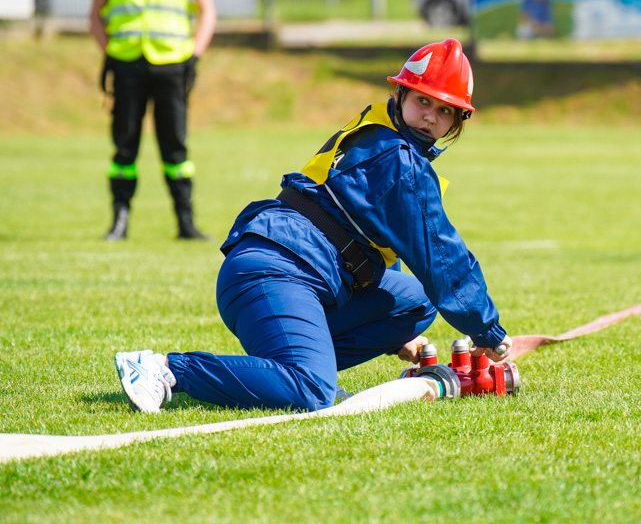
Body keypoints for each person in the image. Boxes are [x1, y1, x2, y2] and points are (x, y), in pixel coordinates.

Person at [113, 39, 513, 413]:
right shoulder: (400, 162)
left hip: (296, 268)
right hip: (274, 272)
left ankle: (287, 368)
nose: (431, 117)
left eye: (446, 110)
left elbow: (374, 236)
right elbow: (443, 261)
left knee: (414, 301)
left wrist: (396, 336)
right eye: (424, 101)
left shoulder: (381, 135)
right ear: (401, 95)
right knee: (313, 392)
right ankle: (165, 369)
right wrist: (489, 333)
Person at [88, 0, 217, 240]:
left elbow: (207, 10)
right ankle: (119, 221)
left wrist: (194, 56)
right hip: (127, 65)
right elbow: (95, 15)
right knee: (124, 147)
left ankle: (185, 221)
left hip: (171, 66)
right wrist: (109, 53)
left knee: (175, 147)